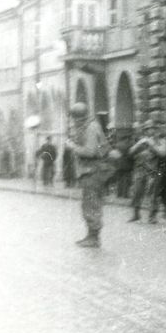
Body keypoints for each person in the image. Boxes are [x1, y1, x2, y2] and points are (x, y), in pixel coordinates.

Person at [64, 102, 110, 247]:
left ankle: (94, 238)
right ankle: (91, 236)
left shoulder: (90, 128)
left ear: (79, 118)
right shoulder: (90, 126)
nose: (73, 121)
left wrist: (73, 147)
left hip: (93, 173)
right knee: (89, 204)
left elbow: (90, 151)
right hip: (91, 172)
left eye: (74, 118)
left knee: (91, 205)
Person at [128, 119, 166, 223]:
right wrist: (139, 144)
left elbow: (163, 153)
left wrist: (151, 144)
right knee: (137, 191)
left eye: (152, 128)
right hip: (140, 170)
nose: (150, 131)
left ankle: (152, 216)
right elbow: (130, 152)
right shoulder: (141, 140)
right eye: (147, 129)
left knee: (154, 194)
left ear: (156, 130)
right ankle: (136, 214)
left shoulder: (161, 140)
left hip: (154, 171)